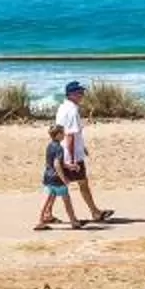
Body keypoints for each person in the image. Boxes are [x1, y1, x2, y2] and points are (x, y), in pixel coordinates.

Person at [55, 80, 108, 224]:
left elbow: (66, 132)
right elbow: (70, 136)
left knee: (57, 184)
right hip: (71, 154)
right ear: (71, 94)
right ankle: (95, 212)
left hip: (63, 151)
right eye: (79, 93)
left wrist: (82, 146)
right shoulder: (72, 110)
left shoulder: (62, 107)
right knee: (80, 183)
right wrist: (72, 159)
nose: (82, 95)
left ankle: (47, 213)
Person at [34, 123, 87, 231]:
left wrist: (71, 166)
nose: (64, 135)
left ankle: (40, 221)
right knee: (67, 201)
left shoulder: (49, 146)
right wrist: (64, 179)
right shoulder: (59, 148)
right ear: (58, 135)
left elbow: (56, 162)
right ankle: (74, 221)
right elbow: (57, 164)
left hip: (48, 177)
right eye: (62, 133)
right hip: (57, 179)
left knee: (46, 200)